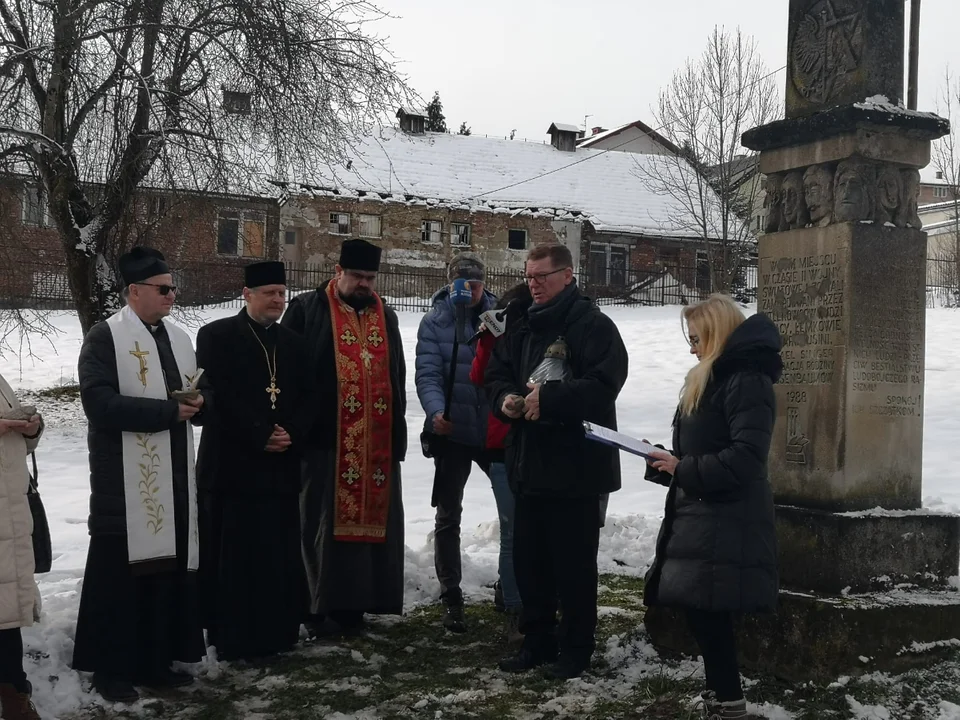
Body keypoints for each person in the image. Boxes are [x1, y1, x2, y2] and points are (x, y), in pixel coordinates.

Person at [485, 243, 628, 680]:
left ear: (568, 275)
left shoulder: (593, 325)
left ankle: (576, 648)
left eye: (542, 277)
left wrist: (548, 399)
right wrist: (505, 400)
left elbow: (604, 385)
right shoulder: (522, 323)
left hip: (576, 468)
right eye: (529, 277)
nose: (534, 285)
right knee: (531, 563)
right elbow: (497, 373)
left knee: (573, 566)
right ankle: (538, 640)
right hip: (528, 464)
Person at [73, 247, 207, 702]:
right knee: (119, 577)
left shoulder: (177, 338)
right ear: (134, 291)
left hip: (172, 475)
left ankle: (156, 660)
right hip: (122, 482)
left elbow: (193, 392)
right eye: (164, 289)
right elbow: (99, 404)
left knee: (163, 572)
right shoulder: (105, 337)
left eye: (173, 289)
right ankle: (110, 669)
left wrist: (200, 403)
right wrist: (169, 413)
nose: (172, 296)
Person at [643, 294, 780, 720]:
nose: (692, 347)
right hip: (704, 513)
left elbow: (744, 458)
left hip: (727, 517)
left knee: (711, 614)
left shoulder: (747, 381)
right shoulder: (716, 377)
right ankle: (721, 699)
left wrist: (683, 468)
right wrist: (667, 464)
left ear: (718, 335)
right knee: (702, 612)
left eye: (698, 338)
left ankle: (728, 705)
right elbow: (707, 449)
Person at [282, 238, 406, 636]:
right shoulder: (307, 309)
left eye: (371, 277)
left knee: (373, 530)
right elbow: (290, 374)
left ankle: (359, 605)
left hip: (376, 443)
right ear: (338, 272)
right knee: (321, 525)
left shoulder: (384, 315)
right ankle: (317, 607)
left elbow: (397, 376)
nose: (365, 284)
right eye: (357, 276)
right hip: (325, 442)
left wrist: (398, 434)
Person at [196, 261, 312, 661]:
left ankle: (277, 632)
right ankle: (232, 636)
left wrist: (291, 431)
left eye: (283, 293)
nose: (279, 301)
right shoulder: (216, 336)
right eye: (270, 294)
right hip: (233, 465)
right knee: (234, 556)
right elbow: (217, 395)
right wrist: (259, 432)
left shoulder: (295, 344)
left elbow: (310, 399)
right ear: (247, 295)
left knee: (276, 555)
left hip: (279, 468)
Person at [415, 253, 497, 633]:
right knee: (449, 515)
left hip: (495, 430)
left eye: (476, 284)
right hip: (453, 431)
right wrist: (435, 413)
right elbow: (427, 373)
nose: (470, 291)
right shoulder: (435, 322)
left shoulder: (499, 318)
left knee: (515, 508)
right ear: (450, 284)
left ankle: (512, 589)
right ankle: (452, 593)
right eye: (463, 284)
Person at [469, 282, 532, 645]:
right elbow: (479, 377)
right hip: (503, 441)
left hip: (515, 441)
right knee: (513, 531)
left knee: (518, 530)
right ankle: (513, 603)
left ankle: (518, 599)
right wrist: (487, 340)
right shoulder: (501, 337)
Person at [0, 374, 43, 720]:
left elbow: (17, 445)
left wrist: (29, 431)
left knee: (6, 608)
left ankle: (14, 694)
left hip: (8, 513)